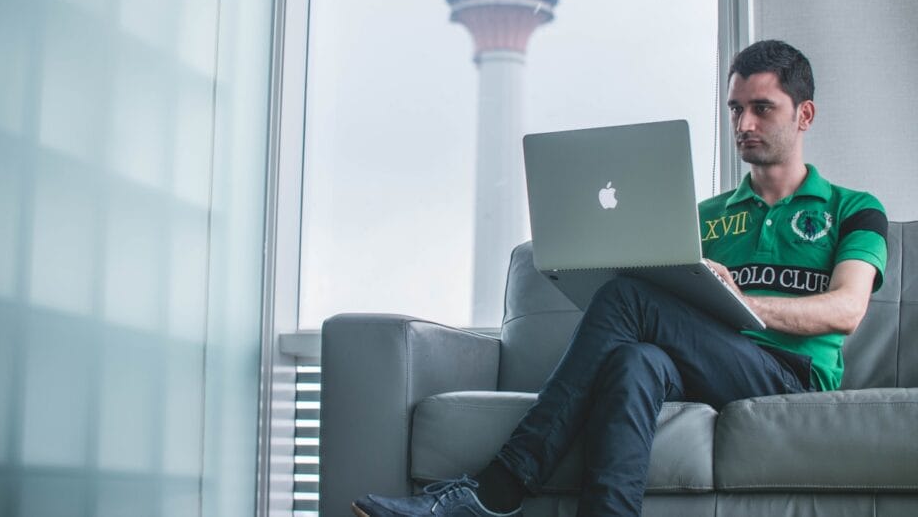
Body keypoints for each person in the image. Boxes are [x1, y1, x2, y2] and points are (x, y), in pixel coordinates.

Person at [351, 40, 888, 517]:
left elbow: (846, 309)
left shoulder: (854, 209)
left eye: (762, 109)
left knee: (628, 299)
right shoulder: (704, 216)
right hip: (706, 364)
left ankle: (498, 486)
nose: (744, 124)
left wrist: (739, 299)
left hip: (789, 375)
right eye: (735, 109)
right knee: (634, 360)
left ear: (805, 115)